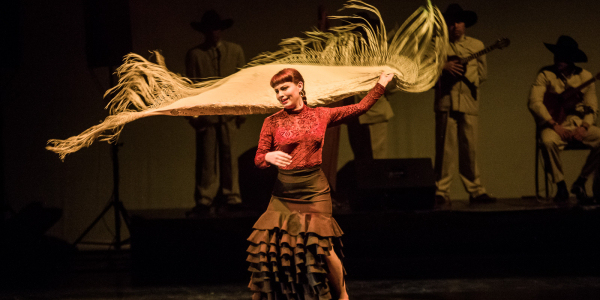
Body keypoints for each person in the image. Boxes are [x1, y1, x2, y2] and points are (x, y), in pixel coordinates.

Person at [248, 68, 394, 300]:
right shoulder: (272, 121)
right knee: (276, 249)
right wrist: (267, 157)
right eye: (276, 91)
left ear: (300, 86)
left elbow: (360, 108)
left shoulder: (321, 115)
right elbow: (258, 157)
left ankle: (343, 297)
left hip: (314, 189)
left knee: (323, 246)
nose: (280, 94)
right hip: (285, 192)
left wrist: (381, 84)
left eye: (284, 88)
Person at [434, 4, 496, 208]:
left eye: (459, 22)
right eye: (451, 23)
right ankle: (441, 191)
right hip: (446, 101)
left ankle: (476, 191)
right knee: (445, 149)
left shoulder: (477, 46)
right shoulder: (438, 45)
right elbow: (424, 71)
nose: (455, 26)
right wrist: (443, 67)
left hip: (469, 102)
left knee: (470, 148)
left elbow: (483, 74)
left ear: (465, 24)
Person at [185, 10, 245, 216]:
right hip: (207, 115)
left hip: (228, 113)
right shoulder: (195, 55)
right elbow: (189, 87)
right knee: (206, 159)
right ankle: (205, 198)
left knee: (230, 157)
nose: (214, 33)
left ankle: (232, 196)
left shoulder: (235, 51)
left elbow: (242, 82)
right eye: (210, 29)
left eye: (217, 28)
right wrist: (192, 118)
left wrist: (242, 111)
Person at [528, 35, 600, 204]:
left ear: (572, 59)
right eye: (557, 55)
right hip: (554, 124)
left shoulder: (586, 76)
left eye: (563, 56)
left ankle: (581, 181)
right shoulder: (546, 74)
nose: (558, 59)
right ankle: (560, 185)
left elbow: (592, 107)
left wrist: (584, 127)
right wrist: (553, 125)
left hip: (578, 123)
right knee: (547, 141)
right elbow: (535, 102)